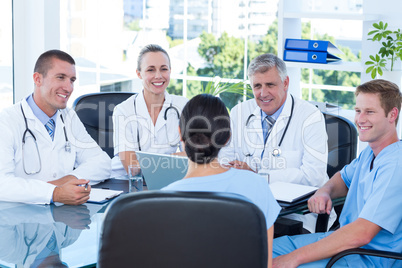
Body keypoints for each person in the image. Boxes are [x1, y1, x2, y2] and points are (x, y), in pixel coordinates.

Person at [272, 79, 402, 268]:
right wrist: (325, 191)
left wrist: (295, 258)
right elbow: (343, 177)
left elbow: (362, 233)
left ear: (392, 115)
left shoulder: (396, 165)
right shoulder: (370, 153)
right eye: (358, 111)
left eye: (370, 112)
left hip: (368, 257)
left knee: (284, 262)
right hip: (341, 243)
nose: (360, 119)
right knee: (264, 249)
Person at [162, 94, 281, 268]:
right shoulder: (257, 186)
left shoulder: (163, 200)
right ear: (227, 138)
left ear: (180, 133)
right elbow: (265, 264)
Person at [219, 53, 331, 233]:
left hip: (295, 215)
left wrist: (259, 176)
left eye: (270, 85)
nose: (263, 93)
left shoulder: (310, 117)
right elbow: (224, 159)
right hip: (246, 208)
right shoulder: (239, 112)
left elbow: (313, 176)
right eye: (257, 86)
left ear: (285, 83)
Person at [0, 49, 111, 205]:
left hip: (64, 217)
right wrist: (54, 193)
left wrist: (67, 181)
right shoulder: (6, 121)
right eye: (61, 78)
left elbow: (102, 162)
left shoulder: (69, 117)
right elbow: (2, 184)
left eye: (72, 80)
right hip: (20, 218)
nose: (69, 87)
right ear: (37, 79)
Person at [112, 44, 188, 176]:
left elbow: (192, 158)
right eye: (150, 70)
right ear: (139, 73)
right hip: (124, 182)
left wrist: (146, 162)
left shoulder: (183, 106)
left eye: (164, 69)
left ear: (170, 71)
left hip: (168, 180)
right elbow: (132, 167)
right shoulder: (123, 111)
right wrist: (175, 159)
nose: (158, 76)